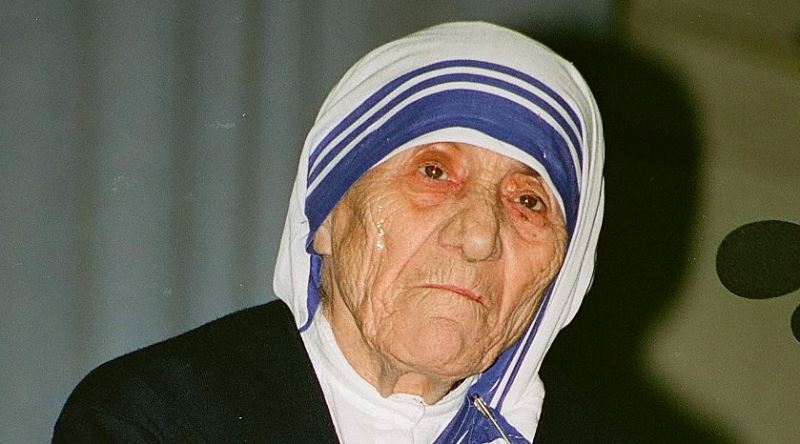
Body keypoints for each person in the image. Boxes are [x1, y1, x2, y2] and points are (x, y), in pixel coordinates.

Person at [53, 22, 604, 443]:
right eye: (433, 172)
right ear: (325, 217)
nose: (479, 237)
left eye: (528, 202)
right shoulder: (157, 418)